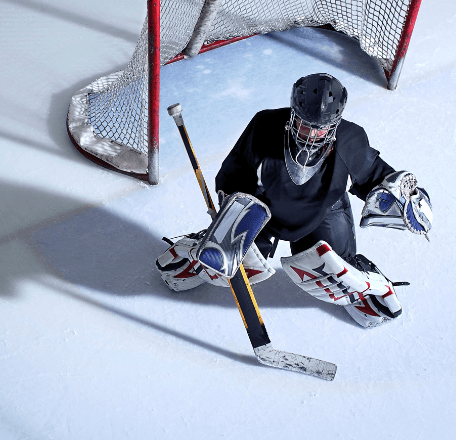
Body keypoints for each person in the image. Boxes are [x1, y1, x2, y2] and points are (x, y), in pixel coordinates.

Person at [156, 72, 432, 328]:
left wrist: (405, 197)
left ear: (334, 125)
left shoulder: (349, 138)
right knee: (231, 262)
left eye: (321, 129)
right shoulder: (265, 126)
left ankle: (361, 287)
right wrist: (228, 220)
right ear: (293, 115)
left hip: (323, 211)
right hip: (263, 212)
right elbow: (234, 172)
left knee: (337, 271)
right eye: (304, 125)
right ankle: (198, 252)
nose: (312, 135)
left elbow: (373, 174)